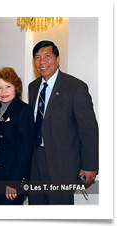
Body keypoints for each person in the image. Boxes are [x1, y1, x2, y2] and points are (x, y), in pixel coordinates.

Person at [28, 40, 99, 205]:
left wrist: (90, 165)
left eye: (47, 56)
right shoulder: (33, 87)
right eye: (37, 57)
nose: (42, 61)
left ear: (58, 59)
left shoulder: (75, 87)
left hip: (62, 163)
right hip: (36, 161)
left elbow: (89, 130)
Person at [0, 67, 34, 205]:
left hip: (11, 180)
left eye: (8, 86)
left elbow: (24, 151)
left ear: (16, 88)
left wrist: (14, 182)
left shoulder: (23, 110)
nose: (4, 91)